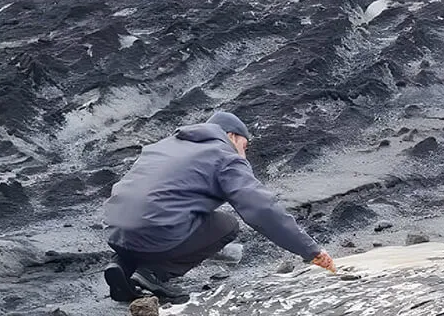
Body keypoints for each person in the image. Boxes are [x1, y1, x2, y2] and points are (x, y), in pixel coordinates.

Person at [101, 111, 334, 303]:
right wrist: (310, 250)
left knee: (159, 216)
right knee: (226, 225)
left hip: (115, 228)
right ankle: (153, 274)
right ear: (232, 136)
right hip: (154, 230)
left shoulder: (166, 145)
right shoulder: (224, 155)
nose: (245, 153)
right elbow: (262, 209)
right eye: (245, 146)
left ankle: (122, 265)